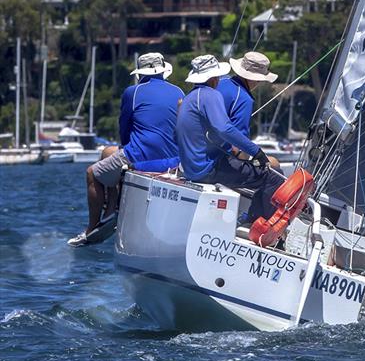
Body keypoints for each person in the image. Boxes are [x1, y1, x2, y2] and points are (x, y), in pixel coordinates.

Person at [69, 52, 184, 247]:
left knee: (92, 173)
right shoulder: (179, 91)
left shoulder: (133, 92)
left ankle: (91, 226)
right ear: (163, 71)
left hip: (141, 156)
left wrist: (126, 147)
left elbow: (124, 126)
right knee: (107, 152)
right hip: (173, 160)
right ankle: (113, 205)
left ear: (141, 74)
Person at [176, 54, 284, 222]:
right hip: (208, 168)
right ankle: (256, 223)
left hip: (189, 167)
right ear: (213, 78)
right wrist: (257, 153)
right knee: (273, 177)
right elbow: (226, 131)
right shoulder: (215, 95)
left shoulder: (191, 96)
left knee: (260, 170)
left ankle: (252, 217)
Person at [214, 51, 278, 158]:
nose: (259, 83)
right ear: (253, 78)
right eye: (259, 80)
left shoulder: (220, 82)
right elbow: (237, 144)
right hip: (221, 160)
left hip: (198, 153)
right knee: (274, 165)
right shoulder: (244, 99)